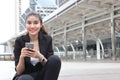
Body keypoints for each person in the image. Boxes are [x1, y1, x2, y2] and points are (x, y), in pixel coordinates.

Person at [12, 11, 61, 80]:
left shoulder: (47, 39)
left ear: (41, 25)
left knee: (55, 59)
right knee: (26, 79)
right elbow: (19, 72)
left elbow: (50, 65)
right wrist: (22, 57)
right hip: (25, 76)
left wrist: (39, 56)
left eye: (35, 23)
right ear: (25, 25)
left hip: (42, 75)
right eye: (29, 23)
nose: (32, 26)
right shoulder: (19, 41)